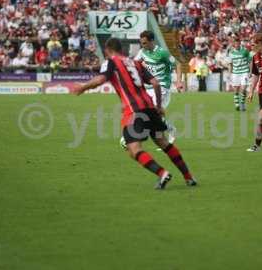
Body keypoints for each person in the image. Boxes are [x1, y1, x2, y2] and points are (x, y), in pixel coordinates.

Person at [73, 38, 197, 189]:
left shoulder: (111, 61)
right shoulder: (136, 63)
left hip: (134, 112)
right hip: (150, 108)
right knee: (163, 142)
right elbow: (156, 83)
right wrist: (158, 106)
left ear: (108, 50)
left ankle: (162, 173)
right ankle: (189, 177)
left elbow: (101, 79)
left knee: (133, 149)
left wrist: (83, 87)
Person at [132, 30, 183, 147]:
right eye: (141, 43)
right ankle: (171, 129)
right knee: (154, 114)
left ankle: (136, 138)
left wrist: (179, 81)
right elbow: (134, 64)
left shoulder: (162, 53)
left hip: (162, 86)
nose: (142, 45)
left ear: (152, 41)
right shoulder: (142, 52)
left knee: (153, 112)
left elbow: (178, 64)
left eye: (144, 43)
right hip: (148, 87)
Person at [226, 36, 251, 111]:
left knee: (243, 89)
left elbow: (250, 61)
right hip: (235, 73)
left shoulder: (245, 51)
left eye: (238, 43)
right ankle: (237, 104)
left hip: (244, 72)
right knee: (236, 89)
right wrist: (229, 74)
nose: (237, 44)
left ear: (240, 43)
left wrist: (250, 71)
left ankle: (242, 104)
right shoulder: (231, 53)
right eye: (235, 43)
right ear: (233, 44)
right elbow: (230, 64)